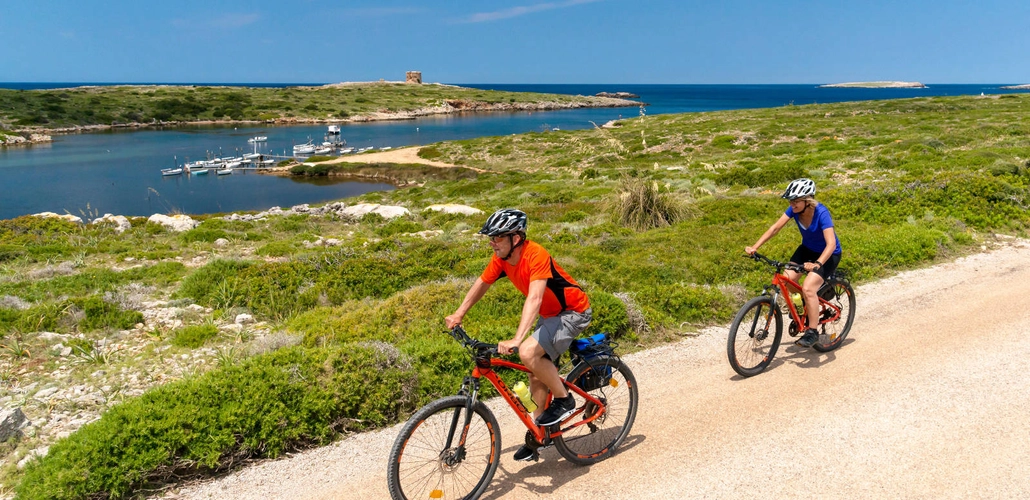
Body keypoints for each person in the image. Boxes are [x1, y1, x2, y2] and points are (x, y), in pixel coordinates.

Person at [445, 208, 592, 461]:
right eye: (491, 238)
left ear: (516, 238)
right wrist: (459, 313)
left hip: (573, 312)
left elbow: (534, 297)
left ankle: (564, 399)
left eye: (497, 238)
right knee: (535, 373)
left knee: (527, 351)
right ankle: (541, 435)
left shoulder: (536, 254)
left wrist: (517, 339)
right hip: (550, 315)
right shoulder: (502, 258)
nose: (492, 243)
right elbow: (482, 284)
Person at [745, 178, 842, 348]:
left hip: (828, 254)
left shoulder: (821, 213)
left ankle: (812, 331)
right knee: (787, 278)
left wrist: (818, 264)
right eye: (791, 201)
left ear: (808, 200)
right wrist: (755, 246)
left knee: (809, 288)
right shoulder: (794, 210)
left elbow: (831, 243)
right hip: (807, 249)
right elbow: (775, 228)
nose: (792, 204)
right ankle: (806, 305)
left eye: (796, 201)